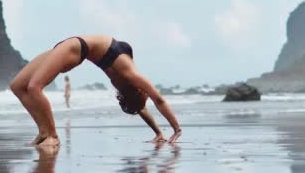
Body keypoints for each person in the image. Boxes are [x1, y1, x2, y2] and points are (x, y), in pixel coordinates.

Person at [10, 35, 182, 147]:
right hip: (71, 45)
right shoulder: (131, 74)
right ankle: (45, 133)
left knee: (34, 87)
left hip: (75, 48)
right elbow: (158, 100)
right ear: (137, 92)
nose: (120, 96)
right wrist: (175, 129)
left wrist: (159, 131)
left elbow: (140, 107)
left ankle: (51, 136)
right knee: (18, 86)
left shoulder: (125, 86)